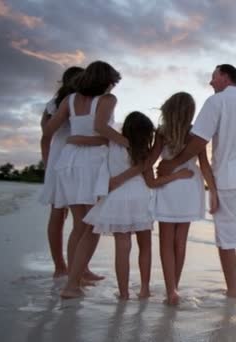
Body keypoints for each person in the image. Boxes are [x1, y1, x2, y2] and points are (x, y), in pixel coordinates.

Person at [158, 65, 236, 299]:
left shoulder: (216, 102)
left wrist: (173, 162)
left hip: (227, 175)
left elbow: (198, 141)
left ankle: (232, 291)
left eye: (214, 76)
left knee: (227, 232)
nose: (211, 82)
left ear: (225, 78)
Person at [83, 111, 195, 300]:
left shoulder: (112, 145)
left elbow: (98, 136)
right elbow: (151, 183)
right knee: (145, 247)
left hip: (116, 200)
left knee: (122, 247)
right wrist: (178, 175)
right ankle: (144, 289)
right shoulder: (142, 153)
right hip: (140, 198)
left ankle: (124, 293)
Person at [43, 60, 127, 299]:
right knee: (92, 225)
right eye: (112, 83)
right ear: (106, 81)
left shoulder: (70, 100)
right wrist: (126, 142)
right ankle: (71, 285)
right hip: (92, 164)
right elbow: (101, 127)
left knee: (81, 224)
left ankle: (75, 277)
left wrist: (75, 138)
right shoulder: (107, 100)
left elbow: (49, 130)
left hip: (68, 162)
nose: (113, 88)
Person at [152, 92, 218, 305]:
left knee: (166, 242)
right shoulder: (194, 134)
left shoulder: (162, 132)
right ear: (190, 111)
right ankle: (175, 289)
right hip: (190, 184)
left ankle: (170, 289)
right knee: (180, 241)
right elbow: (205, 165)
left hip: (169, 185)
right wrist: (214, 192)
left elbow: (152, 160)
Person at [38, 66, 83, 278]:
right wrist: (49, 166)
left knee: (67, 214)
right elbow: (46, 136)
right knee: (71, 215)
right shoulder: (64, 103)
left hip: (63, 157)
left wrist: (48, 164)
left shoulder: (57, 103)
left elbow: (45, 138)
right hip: (69, 158)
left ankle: (68, 267)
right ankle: (63, 267)